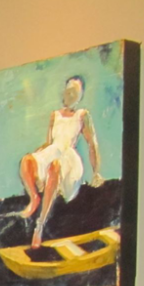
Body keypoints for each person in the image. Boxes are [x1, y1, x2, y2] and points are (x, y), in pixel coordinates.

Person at [19, 75, 104, 247]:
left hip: (69, 160)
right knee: (26, 161)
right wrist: (37, 160)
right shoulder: (55, 115)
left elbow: (92, 144)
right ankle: (34, 198)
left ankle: (40, 226)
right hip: (54, 151)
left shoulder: (82, 115)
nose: (72, 96)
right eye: (70, 91)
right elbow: (49, 143)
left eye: (76, 93)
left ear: (80, 96)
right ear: (64, 92)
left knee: (55, 166)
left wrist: (96, 172)